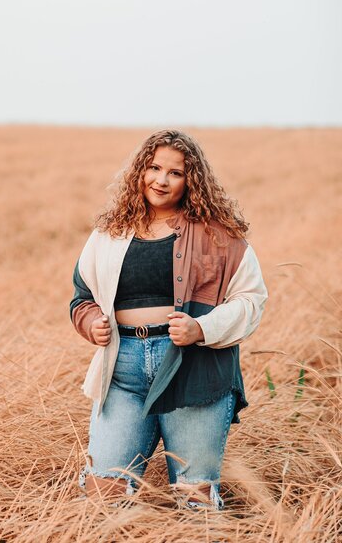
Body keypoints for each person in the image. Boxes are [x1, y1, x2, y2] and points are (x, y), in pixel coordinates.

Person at [70, 130, 268, 510]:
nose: (161, 180)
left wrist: (202, 328)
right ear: (139, 171)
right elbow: (82, 297)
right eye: (154, 167)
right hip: (122, 370)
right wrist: (91, 320)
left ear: (191, 180)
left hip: (193, 370)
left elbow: (252, 299)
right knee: (103, 493)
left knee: (194, 497)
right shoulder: (108, 233)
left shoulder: (218, 235)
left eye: (175, 173)